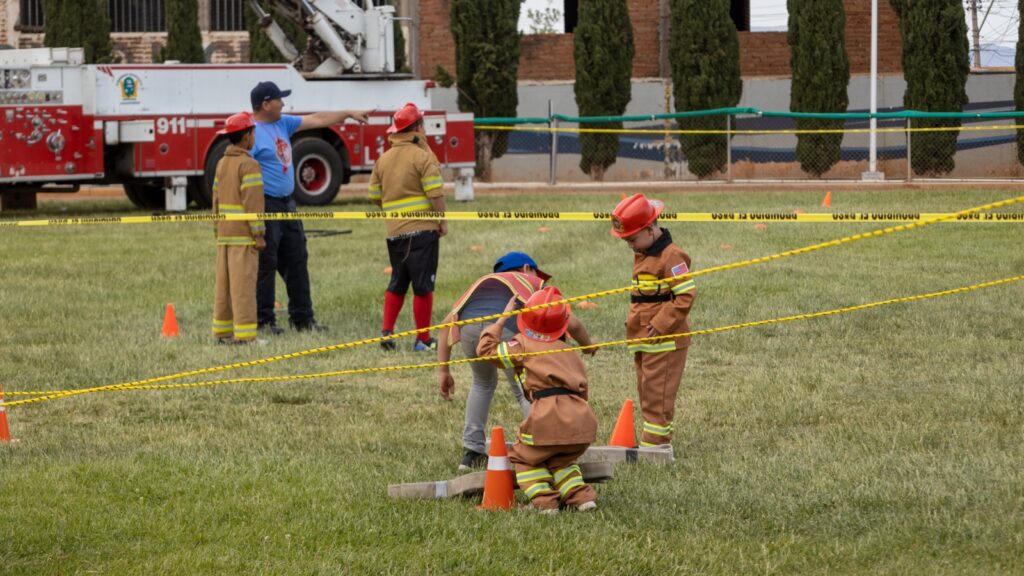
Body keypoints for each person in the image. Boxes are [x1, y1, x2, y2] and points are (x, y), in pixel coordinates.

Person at [436, 251, 596, 470]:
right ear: (527, 269)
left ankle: (471, 451)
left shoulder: (483, 284)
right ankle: (544, 446)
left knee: (481, 384)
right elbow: (571, 322)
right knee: (524, 388)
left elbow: (444, 327)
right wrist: (588, 346)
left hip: (469, 331)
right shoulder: (530, 283)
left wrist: (443, 371)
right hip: (505, 329)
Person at [249, 81, 371, 335]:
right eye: (279, 99)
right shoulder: (251, 135)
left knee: (297, 259)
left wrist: (348, 113)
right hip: (266, 204)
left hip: (287, 203)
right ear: (266, 104)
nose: (284, 103)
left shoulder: (284, 123)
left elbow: (318, 119)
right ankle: (263, 320)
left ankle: (303, 319)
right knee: (266, 263)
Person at [477, 287, 599, 514]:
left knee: (524, 457)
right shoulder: (568, 350)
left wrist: (502, 319)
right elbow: (584, 390)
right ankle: (581, 497)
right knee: (561, 460)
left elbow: (485, 350)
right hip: (582, 418)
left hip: (547, 415)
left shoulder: (521, 345)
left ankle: (545, 502)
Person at [611, 193, 697, 449]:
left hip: (665, 342)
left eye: (633, 239)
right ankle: (653, 440)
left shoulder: (671, 256)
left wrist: (660, 324)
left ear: (649, 229)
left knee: (657, 397)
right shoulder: (645, 251)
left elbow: (685, 295)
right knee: (647, 392)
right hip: (645, 341)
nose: (631, 246)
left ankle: (655, 448)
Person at [368, 102, 447, 352]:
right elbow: (435, 192)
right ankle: (423, 340)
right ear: (418, 128)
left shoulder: (383, 159)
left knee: (397, 283)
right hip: (422, 231)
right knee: (423, 286)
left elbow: (373, 195)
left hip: (395, 233)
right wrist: (441, 220)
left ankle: (387, 333)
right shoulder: (422, 157)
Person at [211, 111, 265, 345]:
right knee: (243, 287)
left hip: (224, 235)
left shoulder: (222, 163)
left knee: (224, 287)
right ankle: (245, 337)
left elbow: (215, 200)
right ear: (246, 137)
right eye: (253, 132)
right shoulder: (249, 165)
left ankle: (222, 333)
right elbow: (252, 203)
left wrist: (217, 228)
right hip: (243, 237)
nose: (254, 136)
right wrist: (259, 234)